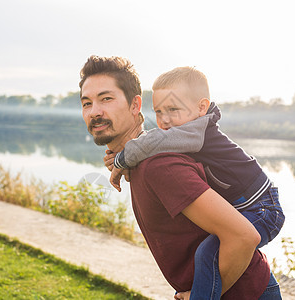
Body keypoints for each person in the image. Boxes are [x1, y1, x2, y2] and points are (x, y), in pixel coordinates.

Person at [79, 55, 282, 299]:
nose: (95, 112)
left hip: (242, 293)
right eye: (86, 103)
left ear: (135, 105)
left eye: (106, 99)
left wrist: (200, 294)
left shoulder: (160, 165)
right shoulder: (148, 160)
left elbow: (244, 236)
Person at [107, 66, 285, 251]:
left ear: (201, 107)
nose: (164, 120)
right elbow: (155, 140)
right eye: (158, 112)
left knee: (211, 252)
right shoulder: (187, 130)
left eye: (172, 109)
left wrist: (122, 160)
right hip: (245, 207)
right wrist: (125, 156)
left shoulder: (197, 130)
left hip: (262, 208)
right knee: (221, 250)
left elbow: (155, 141)